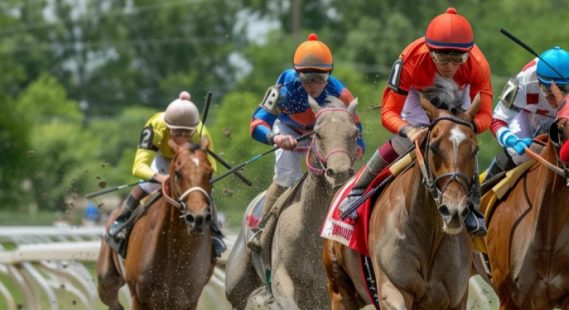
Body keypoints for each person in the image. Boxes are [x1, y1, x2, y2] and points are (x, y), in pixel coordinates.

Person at [337, 7, 493, 236]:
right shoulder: (410, 59)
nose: (450, 67)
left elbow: (486, 115)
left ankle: (473, 208)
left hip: (459, 98)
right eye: (442, 59)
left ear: (468, 54)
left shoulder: (478, 64)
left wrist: (467, 127)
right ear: (430, 52)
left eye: (457, 59)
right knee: (406, 144)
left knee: (461, 144)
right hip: (419, 96)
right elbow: (388, 113)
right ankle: (356, 192)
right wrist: (409, 131)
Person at [247, 33, 364, 254]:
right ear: (297, 74)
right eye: (307, 79)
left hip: (323, 132)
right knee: (286, 174)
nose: (314, 85)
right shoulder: (284, 88)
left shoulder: (342, 94)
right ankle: (263, 230)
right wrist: (276, 138)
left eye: (320, 78)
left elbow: (358, 137)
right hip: (287, 129)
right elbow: (257, 124)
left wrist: (351, 152)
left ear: (329, 75)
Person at [485, 46, 569, 240]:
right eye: (549, 91)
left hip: (561, 121)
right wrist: (511, 139)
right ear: (539, 81)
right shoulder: (523, 81)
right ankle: (482, 194)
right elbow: (497, 120)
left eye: (563, 91)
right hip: (526, 116)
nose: (555, 97)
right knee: (520, 154)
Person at [105, 91, 226, 257]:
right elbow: (138, 167)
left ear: (194, 130)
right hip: (163, 159)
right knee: (146, 184)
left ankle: (215, 232)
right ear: (168, 127)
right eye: (177, 133)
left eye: (187, 133)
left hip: (190, 163)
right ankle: (121, 222)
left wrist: (199, 181)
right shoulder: (155, 127)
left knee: (204, 190)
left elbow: (211, 167)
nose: (183, 139)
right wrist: (161, 178)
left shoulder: (201, 132)